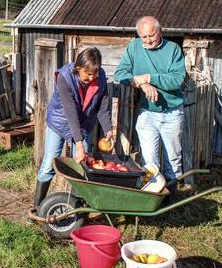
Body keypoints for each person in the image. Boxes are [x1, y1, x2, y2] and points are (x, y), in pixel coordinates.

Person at [34, 47, 115, 210]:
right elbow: (70, 112)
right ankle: (37, 207)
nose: (91, 78)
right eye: (87, 73)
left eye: (95, 73)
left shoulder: (100, 78)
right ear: (78, 68)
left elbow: (103, 108)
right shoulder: (64, 77)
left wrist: (108, 130)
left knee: (82, 165)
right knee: (49, 163)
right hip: (60, 121)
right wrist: (79, 145)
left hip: (85, 124)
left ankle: (76, 208)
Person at [113, 16, 186, 193]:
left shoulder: (173, 49)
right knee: (149, 160)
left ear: (159, 32)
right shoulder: (134, 47)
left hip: (171, 112)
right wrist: (142, 84)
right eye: (143, 37)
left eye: (151, 36)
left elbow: (177, 80)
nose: (147, 40)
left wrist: (149, 78)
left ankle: (172, 195)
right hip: (147, 113)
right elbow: (120, 73)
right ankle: (152, 195)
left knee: (173, 158)